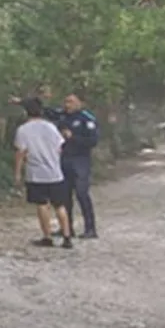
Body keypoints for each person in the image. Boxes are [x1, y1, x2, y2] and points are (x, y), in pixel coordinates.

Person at [14, 97, 74, 249]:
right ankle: (67, 236)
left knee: (42, 204)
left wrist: (17, 172)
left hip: (36, 173)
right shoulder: (51, 127)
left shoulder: (23, 130)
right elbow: (60, 146)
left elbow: (21, 152)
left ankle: (47, 237)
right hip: (55, 172)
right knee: (60, 205)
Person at [57, 92, 99, 238]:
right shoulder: (62, 116)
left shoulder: (87, 119)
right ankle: (67, 228)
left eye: (71, 102)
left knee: (82, 193)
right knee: (64, 195)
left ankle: (90, 228)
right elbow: (43, 110)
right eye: (66, 102)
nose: (67, 105)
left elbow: (93, 141)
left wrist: (73, 137)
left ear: (80, 103)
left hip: (80, 160)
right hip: (64, 159)